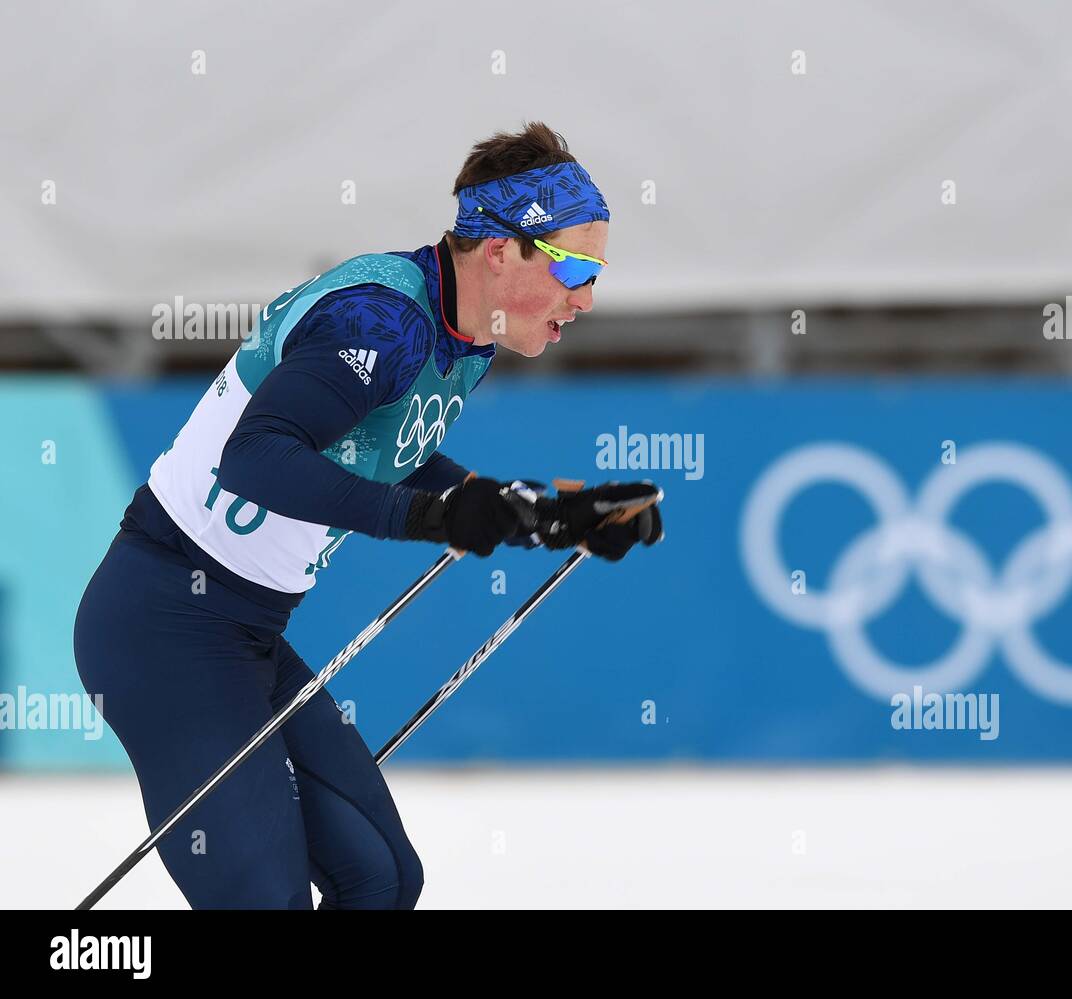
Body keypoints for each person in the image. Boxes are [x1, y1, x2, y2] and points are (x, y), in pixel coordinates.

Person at [73, 121, 663, 909]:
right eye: (576, 266)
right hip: (163, 625)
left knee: (380, 878)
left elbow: (385, 446)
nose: (586, 298)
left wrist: (550, 514)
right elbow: (254, 457)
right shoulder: (378, 323)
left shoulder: (463, 333)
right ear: (500, 250)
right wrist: (434, 518)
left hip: (245, 634)